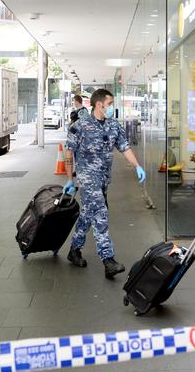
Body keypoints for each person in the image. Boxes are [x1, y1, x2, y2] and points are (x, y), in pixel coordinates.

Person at [63, 89, 146, 278]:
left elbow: (125, 148)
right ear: (99, 104)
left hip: (103, 179)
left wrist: (137, 166)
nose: (112, 107)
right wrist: (70, 179)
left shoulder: (114, 126)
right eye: (110, 104)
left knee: (87, 213)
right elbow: (69, 153)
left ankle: (74, 250)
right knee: (100, 213)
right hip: (87, 179)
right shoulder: (80, 126)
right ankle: (108, 260)